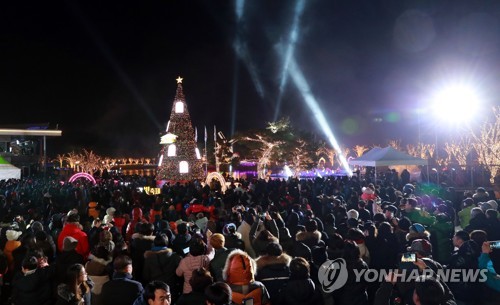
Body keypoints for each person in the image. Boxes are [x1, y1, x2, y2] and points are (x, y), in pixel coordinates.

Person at [142, 234, 182, 302]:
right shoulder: (175, 257)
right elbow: (180, 274)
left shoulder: (149, 258)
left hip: (155, 292)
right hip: (171, 290)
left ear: (154, 243)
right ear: (167, 243)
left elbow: (146, 276)